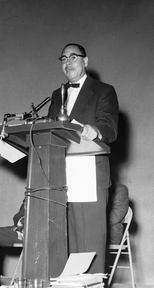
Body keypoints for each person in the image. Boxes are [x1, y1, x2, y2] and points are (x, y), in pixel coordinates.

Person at [47, 43, 119, 273]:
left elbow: (109, 127)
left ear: (85, 61)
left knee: (90, 246)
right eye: (63, 59)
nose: (68, 62)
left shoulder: (103, 90)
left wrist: (96, 131)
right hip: (61, 176)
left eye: (73, 57)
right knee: (65, 247)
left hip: (89, 173)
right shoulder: (56, 95)